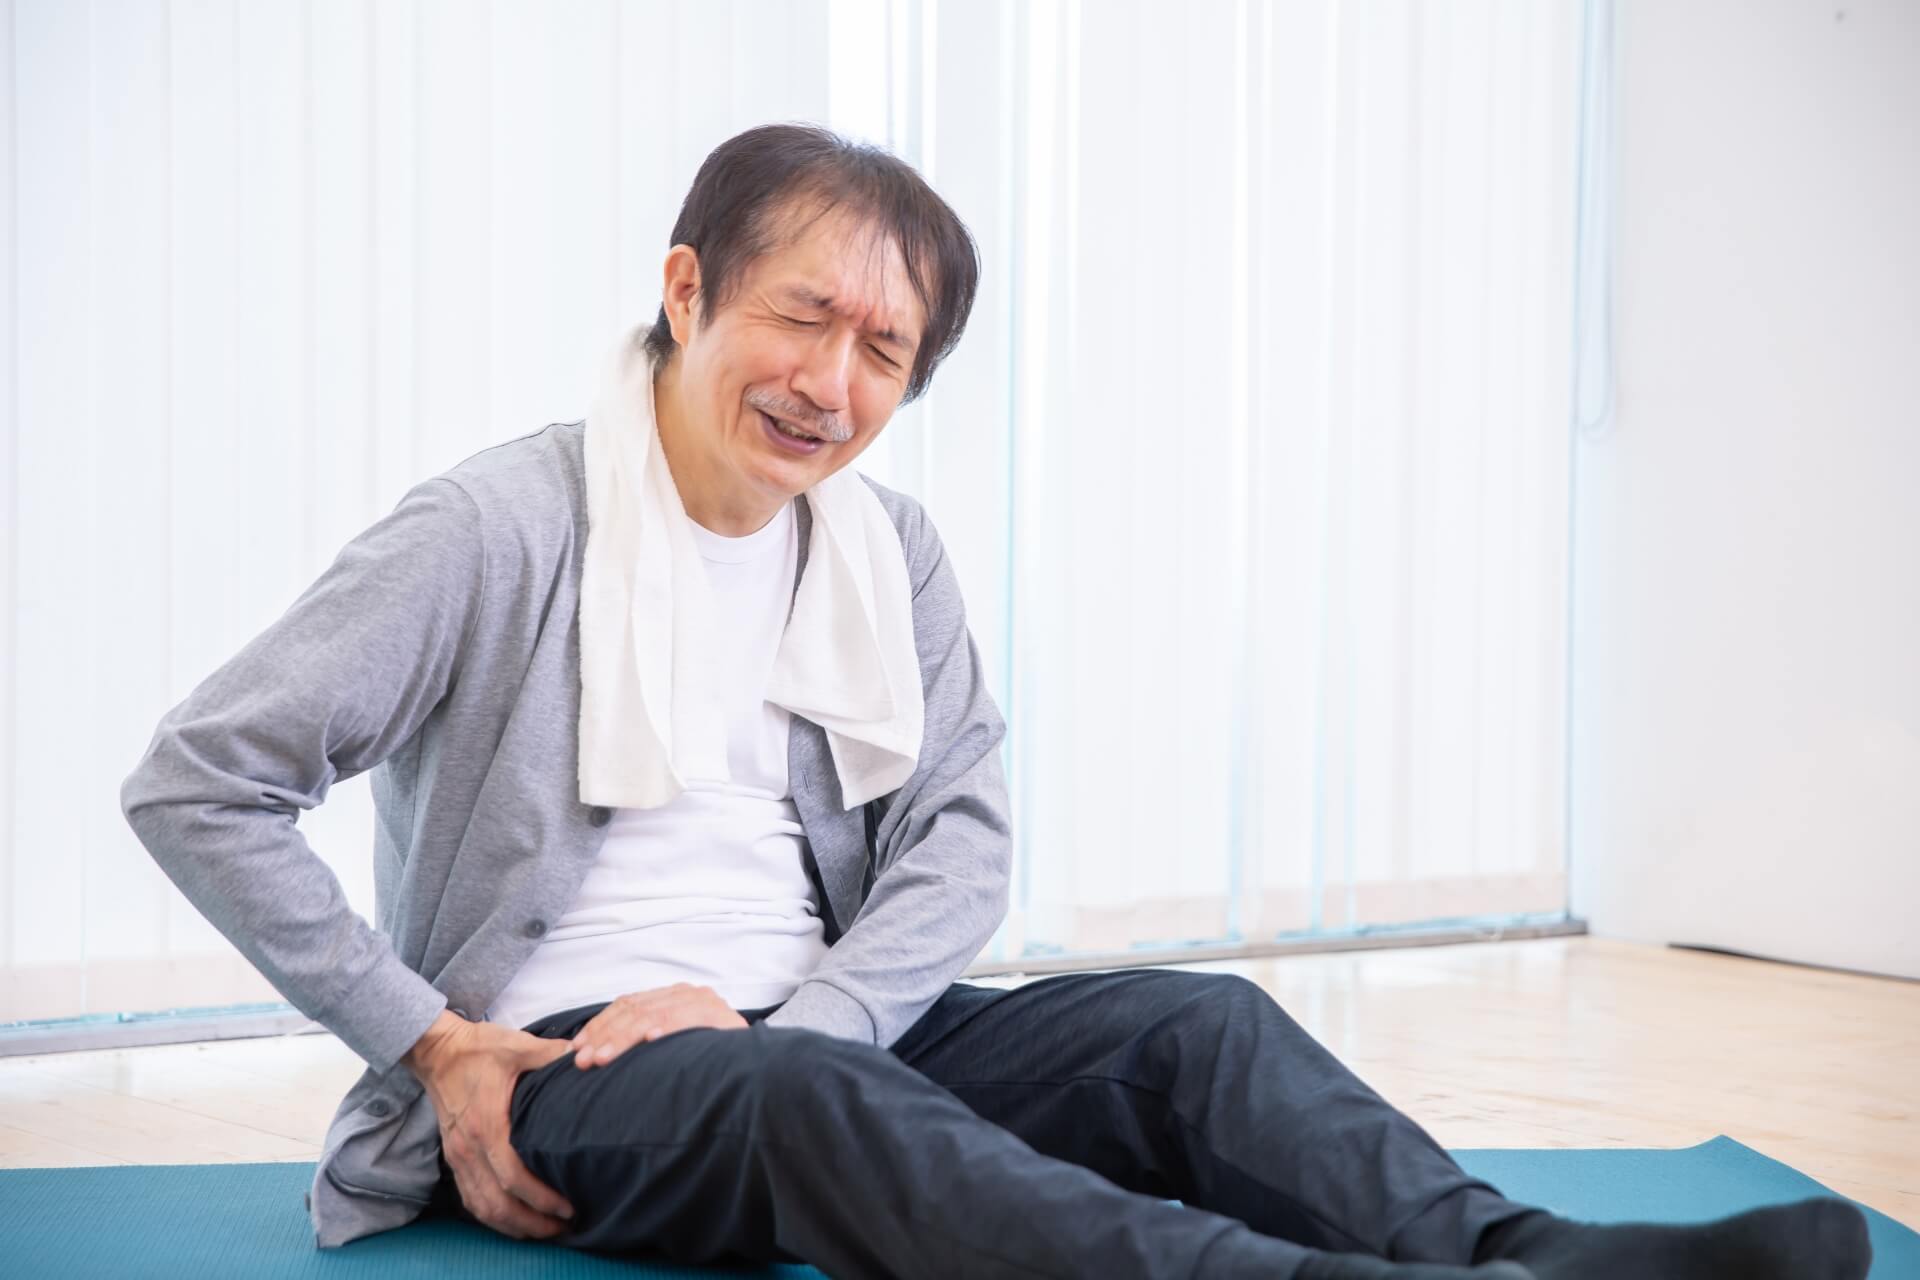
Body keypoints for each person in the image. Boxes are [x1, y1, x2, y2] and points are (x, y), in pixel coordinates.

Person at [121, 123, 1871, 1280]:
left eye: (884, 351)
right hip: (570, 1064)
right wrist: (434, 1043)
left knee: (1194, 1032)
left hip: (815, 1032)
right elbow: (199, 780)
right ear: (685, 289)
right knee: (810, 1105)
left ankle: (1534, 1258)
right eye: (804, 317)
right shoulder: (496, 527)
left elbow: (959, 835)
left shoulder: (884, 549)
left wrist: (808, 1019)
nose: (831, 383)